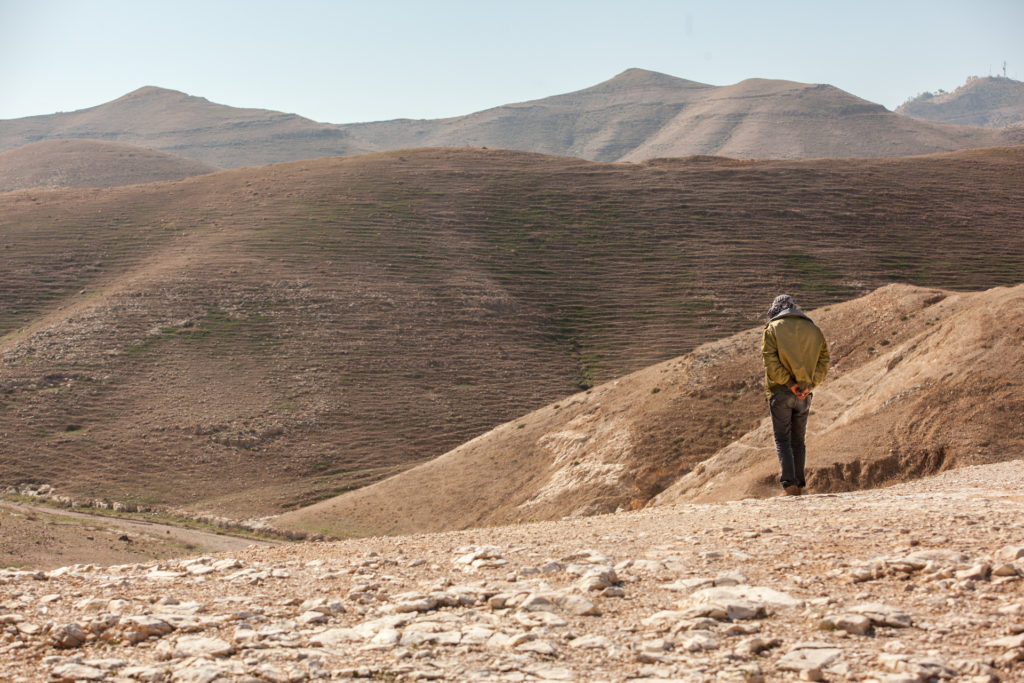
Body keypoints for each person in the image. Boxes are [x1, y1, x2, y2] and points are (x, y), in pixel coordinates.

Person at [761, 294, 830, 496]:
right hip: (805, 394)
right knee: (798, 441)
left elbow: (770, 363)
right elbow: (824, 360)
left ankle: (789, 486)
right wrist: (809, 385)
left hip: (781, 392)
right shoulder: (814, 329)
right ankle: (800, 485)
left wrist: (791, 385)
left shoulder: (772, 329)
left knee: (783, 440)